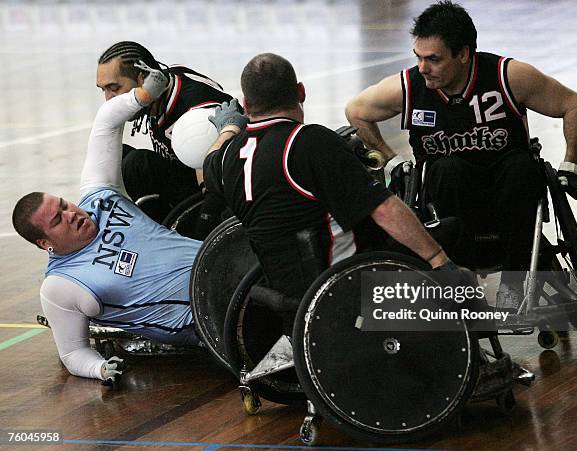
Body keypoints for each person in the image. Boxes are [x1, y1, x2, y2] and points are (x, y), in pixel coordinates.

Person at [345, 1, 577, 310]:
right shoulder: (409, 86)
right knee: (449, 168)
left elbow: (575, 105)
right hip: (451, 194)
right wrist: (391, 160)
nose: (423, 68)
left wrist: (570, 164)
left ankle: (514, 283)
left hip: (509, 185)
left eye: (433, 59)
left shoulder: (507, 76)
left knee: (521, 167)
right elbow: (356, 112)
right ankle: (463, 280)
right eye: (419, 58)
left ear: (463, 54)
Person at [203, 53, 452, 303]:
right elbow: (384, 208)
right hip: (350, 290)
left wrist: (229, 129)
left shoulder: (227, 158)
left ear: (246, 105)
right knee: (451, 232)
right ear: (301, 92)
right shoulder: (310, 142)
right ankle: (471, 321)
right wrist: (438, 258)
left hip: (290, 303)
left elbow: (210, 159)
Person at [12, 63, 203, 383]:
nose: (72, 213)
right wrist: (100, 369)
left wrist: (141, 96)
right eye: (58, 219)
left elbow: (105, 123)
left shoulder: (100, 196)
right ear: (46, 243)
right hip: (202, 317)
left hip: (225, 262)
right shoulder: (61, 285)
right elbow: (72, 353)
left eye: (64, 204)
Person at [96, 41, 232, 226]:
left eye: (114, 88)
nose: (108, 100)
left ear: (143, 79)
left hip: (216, 192)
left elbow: (210, 175)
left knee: (138, 165)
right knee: (116, 155)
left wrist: (204, 224)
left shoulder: (195, 112)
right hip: (189, 173)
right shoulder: (166, 80)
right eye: (103, 90)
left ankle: (160, 234)